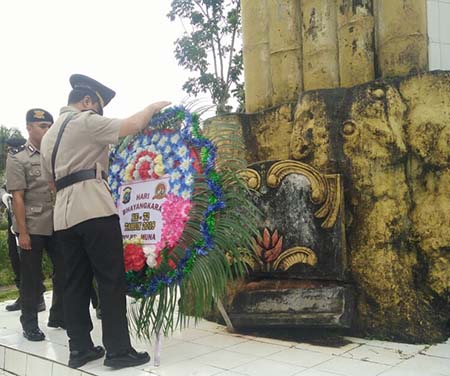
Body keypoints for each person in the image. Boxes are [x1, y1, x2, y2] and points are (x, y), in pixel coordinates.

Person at [40, 74, 170, 369]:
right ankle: (118, 350)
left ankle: (80, 349)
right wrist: (152, 106)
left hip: (63, 215)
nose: (99, 113)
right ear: (87, 101)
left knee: (74, 283)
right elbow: (131, 126)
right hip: (94, 207)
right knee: (110, 279)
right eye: (98, 106)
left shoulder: (48, 136)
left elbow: (50, 182)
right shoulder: (84, 120)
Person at [6, 109, 65, 341]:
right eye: (42, 126)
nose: (47, 130)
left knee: (65, 272)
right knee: (31, 279)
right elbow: (18, 198)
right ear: (29, 128)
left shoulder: (54, 155)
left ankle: (58, 316)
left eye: (50, 126)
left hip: (56, 224)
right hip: (32, 225)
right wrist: (22, 232)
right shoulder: (18, 157)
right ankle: (29, 323)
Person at [2, 137, 46, 313]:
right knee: (17, 261)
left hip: (31, 222)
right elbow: (5, 187)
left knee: (31, 264)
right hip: (14, 225)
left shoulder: (28, 162)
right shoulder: (11, 166)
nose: (10, 153)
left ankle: (39, 299)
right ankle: (25, 297)